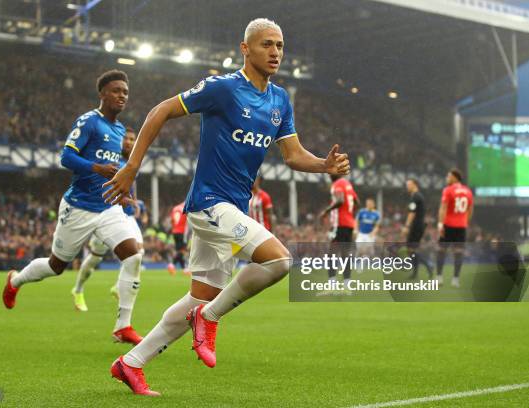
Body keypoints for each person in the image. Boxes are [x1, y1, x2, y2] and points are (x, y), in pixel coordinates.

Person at [102, 18, 350, 396]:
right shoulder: (223, 88)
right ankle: (210, 317)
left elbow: (293, 154)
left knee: (198, 295)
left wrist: (323, 166)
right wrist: (132, 165)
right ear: (245, 48)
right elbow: (160, 110)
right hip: (208, 203)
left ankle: (131, 363)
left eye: (280, 45)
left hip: (234, 206)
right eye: (267, 44)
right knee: (279, 261)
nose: (275, 52)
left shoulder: (280, 100)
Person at [2, 70, 144, 344]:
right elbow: (65, 157)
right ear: (102, 94)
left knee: (133, 254)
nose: (121, 96)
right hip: (78, 207)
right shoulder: (90, 122)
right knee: (56, 266)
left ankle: (122, 327)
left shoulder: (118, 130)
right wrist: (96, 167)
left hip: (107, 207)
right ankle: (15, 281)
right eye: (116, 91)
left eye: (125, 92)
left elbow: (115, 170)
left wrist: (121, 192)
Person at [70, 128, 144, 342]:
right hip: (106, 216)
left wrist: (134, 203)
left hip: (127, 217)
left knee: (137, 254)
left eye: (133, 139)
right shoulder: (109, 162)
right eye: (126, 139)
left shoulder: (132, 164)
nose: (129, 142)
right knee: (94, 258)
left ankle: (119, 294)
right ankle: (78, 289)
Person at [436, 168, 474, 287]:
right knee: (458, 253)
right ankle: (455, 279)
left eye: (449, 176)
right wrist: (465, 221)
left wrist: (440, 223)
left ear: (455, 177)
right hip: (461, 226)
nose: (447, 178)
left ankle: (439, 278)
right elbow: (470, 209)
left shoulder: (448, 190)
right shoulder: (468, 191)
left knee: (441, 251)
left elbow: (443, 208)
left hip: (448, 225)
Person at [321, 174, 359, 285]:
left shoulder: (337, 184)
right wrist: (349, 215)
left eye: (330, 172)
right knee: (345, 253)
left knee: (332, 253)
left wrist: (326, 211)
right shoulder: (348, 184)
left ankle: (332, 282)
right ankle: (347, 281)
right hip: (348, 224)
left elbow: (340, 200)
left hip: (339, 224)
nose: (329, 174)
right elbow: (357, 202)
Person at [402, 179, 433, 279]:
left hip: (416, 226)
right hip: (419, 225)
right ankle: (417, 272)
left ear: (415, 185)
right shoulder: (417, 196)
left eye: (409, 184)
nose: (407, 186)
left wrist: (406, 226)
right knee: (411, 250)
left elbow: (412, 212)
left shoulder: (415, 196)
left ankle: (428, 266)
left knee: (411, 250)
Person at [167, 201, 189, 275]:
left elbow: (172, 221)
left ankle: (185, 269)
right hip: (182, 232)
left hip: (175, 232)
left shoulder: (175, 208)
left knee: (179, 251)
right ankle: (172, 264)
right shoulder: (186, 208)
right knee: (182, 251)